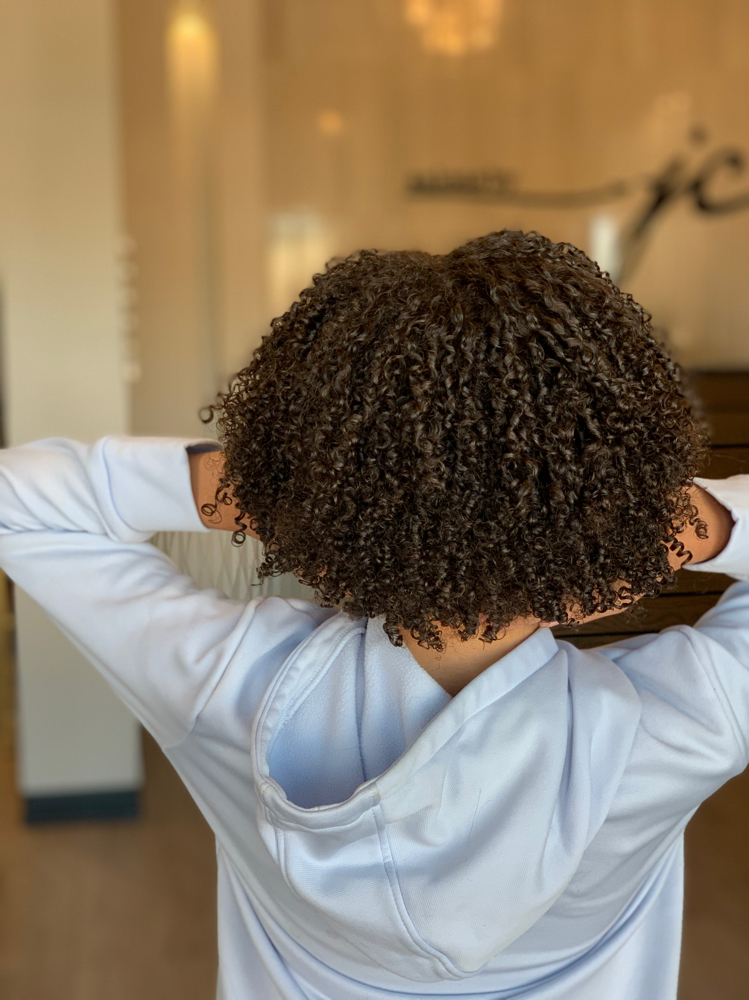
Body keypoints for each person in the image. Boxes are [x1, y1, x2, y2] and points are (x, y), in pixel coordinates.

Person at [0, 229, 744, 1000]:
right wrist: (700, 522)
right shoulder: (685, 722)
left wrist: (268, 487)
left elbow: (18, 499)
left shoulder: (223, 686)